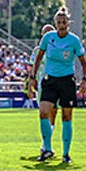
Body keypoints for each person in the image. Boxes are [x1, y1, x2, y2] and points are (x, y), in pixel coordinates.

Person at [27, 9, 86, 164]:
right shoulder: (48, 38)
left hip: (67, 81)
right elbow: (38, 58)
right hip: (50, 80)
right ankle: (47, 148)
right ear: (55, 23)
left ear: (68, 23)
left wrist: (84, 80)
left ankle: (66, 154)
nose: (61, 25)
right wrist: (32, 78)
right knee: (43, 112)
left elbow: (83, 62)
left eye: (64, 22)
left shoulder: (74, 40)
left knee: (66, 117)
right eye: (59, 22)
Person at [28, 23, 57, 156]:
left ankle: (46, 145)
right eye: (45, 32)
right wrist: (30, 84)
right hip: (42, 86)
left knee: (53, 114)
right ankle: (46, 144)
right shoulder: (37, 51)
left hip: (57, 84)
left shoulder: (58, 50)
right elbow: (32, 68)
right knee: (44, 114)